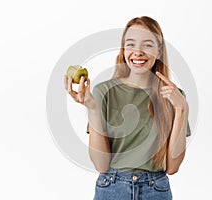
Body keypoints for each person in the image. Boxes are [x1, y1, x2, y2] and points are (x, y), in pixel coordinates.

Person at [64, 16, 191, 200]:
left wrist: (181, 109)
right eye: (131, 44)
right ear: (123, 49)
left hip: (156, 190)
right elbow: (101, 165)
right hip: (112, 188)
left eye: (147, 45)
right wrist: (92, 108)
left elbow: (172, 167)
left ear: (159, 51)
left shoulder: (174, 97)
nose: (137, 52)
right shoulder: (103, 92)